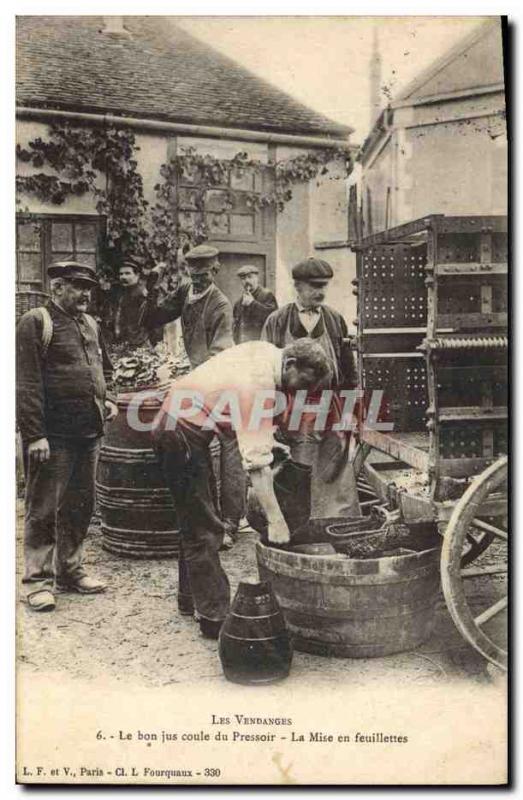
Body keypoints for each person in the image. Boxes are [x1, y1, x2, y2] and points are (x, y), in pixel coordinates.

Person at [151, 338, 333, 639]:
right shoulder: (260, 384)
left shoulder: (268, 354)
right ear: (291, 365)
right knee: (205, 526)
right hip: (180, 432)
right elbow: (257, 468)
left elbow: (235, 410)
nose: (303, 392)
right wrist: (276, 521)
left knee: (195, 516)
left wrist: (268, 443)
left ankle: (190, 599)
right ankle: (215, 617)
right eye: (304, 383)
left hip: (181, 424)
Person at [16, 261, 118, 612]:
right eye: (77, 286)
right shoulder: (35, 323)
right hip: (52, 438)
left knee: (80, 505)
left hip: (88, 433)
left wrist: (110, 399)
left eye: (88, 287)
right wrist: (34, 435)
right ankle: (37, 581)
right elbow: (25, 383)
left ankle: (70, 570)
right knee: (42, 508)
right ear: (57, 288)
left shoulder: (90, 323)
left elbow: (105, 366)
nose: (85, 294)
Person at [144, 244, 244, 547]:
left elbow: (220, 355)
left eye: (203, 275)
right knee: (198, 449)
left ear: (215, 271)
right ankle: (209, 519)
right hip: (200, 380)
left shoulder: (220, 305)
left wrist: (189, 384)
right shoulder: (186, 291)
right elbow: (155, 317)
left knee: (230, 450)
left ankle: (230, 524)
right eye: (193, 274)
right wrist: (151, 286)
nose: (197, 280)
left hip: (223, 381)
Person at [261, 257, 359, 519]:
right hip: (292, 408)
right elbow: (267, 374)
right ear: (298, 286)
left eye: (324, 286)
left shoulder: (335, 320)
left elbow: (349, 373)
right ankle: (298, 525)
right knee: (298, 467)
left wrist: (349, 410)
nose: (320, 292)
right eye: (314, 286)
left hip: (330, 406)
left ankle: (338, 525)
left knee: (336, 465)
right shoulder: (277, 321)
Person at [108, 259, 150, 347]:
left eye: (127, 273)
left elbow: (145, 322)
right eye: (121, 274)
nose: (123, 277)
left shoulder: (141, 295)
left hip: (137, 343)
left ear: (137, 275)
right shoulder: (122, 293)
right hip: (122, 342)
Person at [232, 265, 277, 343]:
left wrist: (252, 304)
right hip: (243, 346)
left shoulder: (267, 295)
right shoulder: (238, 303)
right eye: (243, 278)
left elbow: (273, 319)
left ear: (257, 278)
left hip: (260, 345)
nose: (247, 281)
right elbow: (236, 327)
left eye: (250, 277)